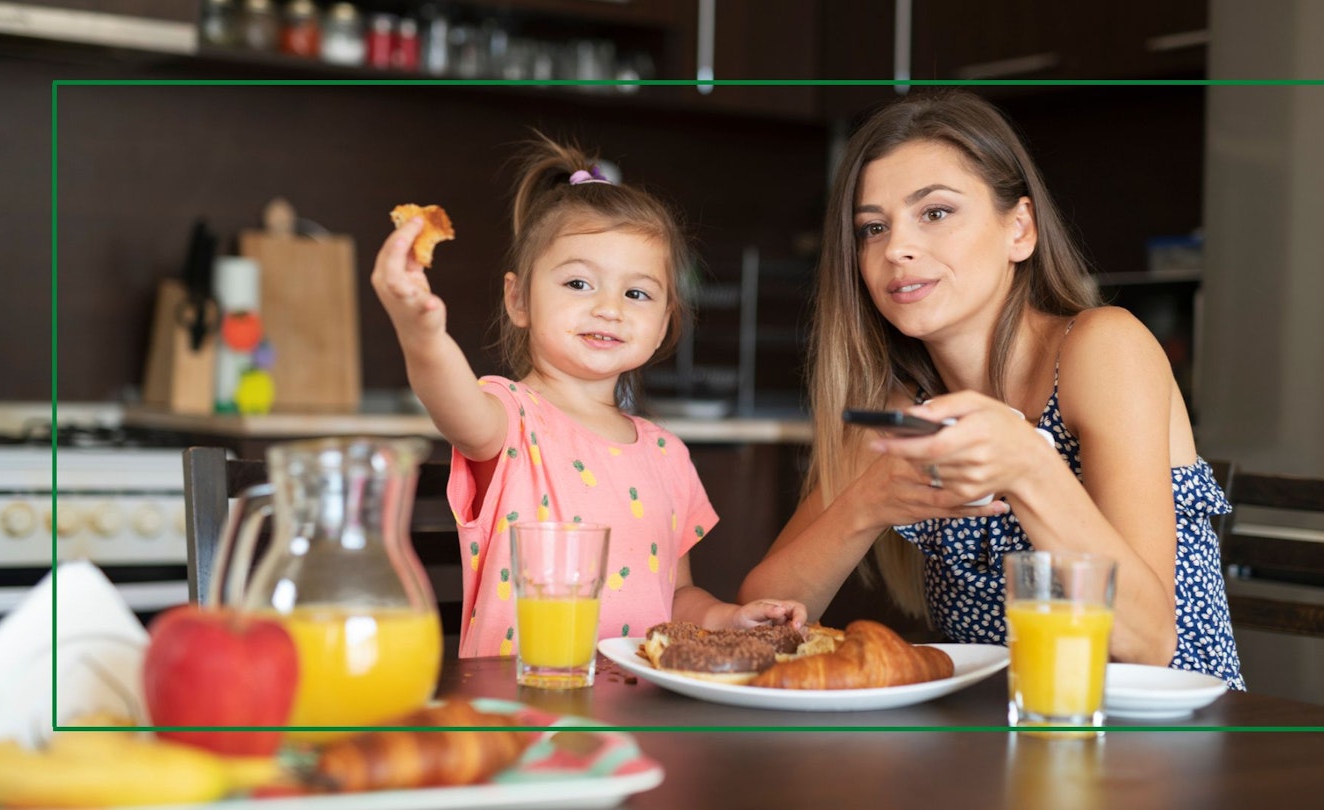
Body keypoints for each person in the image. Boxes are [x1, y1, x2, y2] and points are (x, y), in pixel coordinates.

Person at [739, 90, 1244, 688]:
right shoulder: (903, 408)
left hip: (1164, 743)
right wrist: (866, 503)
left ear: (1020, 230)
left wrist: (1030, 468)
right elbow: (757, 623)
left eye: (935, 213)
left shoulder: (1103, 348)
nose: (895, 246)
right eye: (872, 227)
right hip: (1004, 743)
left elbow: (1147, 642)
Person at [373, 133, 806, 658]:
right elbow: (451, 400)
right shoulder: (508, 417)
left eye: (637, 293)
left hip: (636, 710)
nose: (609, 308)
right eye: (579, 284)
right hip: (520, 711)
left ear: (665, 320)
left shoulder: (667, 455)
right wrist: (421, 334)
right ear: (518, 299)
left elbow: (675, 596)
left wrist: (728, 618)